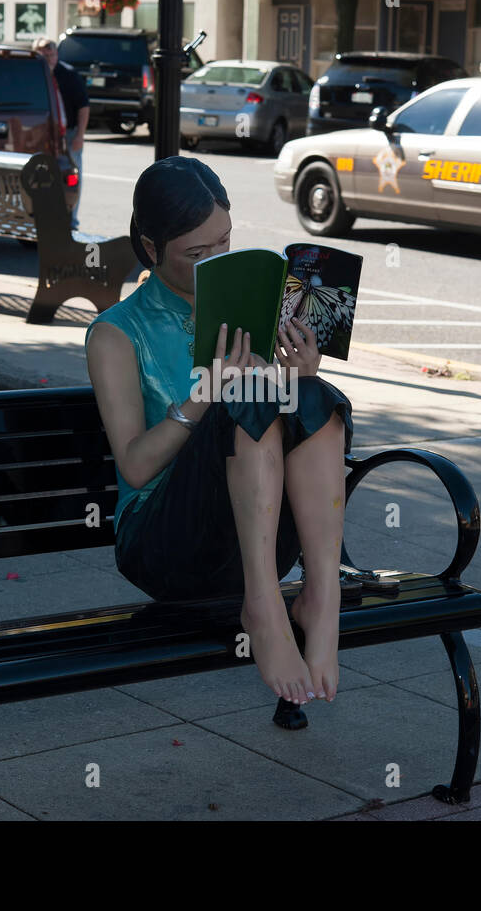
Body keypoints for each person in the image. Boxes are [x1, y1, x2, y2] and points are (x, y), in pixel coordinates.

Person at [85, 157, 353, 708]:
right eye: (196, 254)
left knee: (314, 398)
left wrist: (297, 378)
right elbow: (134, 468)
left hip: (252, 526)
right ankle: (263, 606)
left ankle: (322, 600)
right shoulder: (115, 333)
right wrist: (206, 393)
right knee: (240, 405)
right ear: (151, 248)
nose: (214, 261)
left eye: (223, 244)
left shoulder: (256, 309)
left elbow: (277, 434)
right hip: (165, 543)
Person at [34, 38, 89, 231]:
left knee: (72, 176)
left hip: (69, 133)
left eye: (52, 54)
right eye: (43, 54)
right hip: (42, 135)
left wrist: (80, 136)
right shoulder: (32, 74)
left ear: (57, 55)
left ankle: (71, 221)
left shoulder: (68, 74)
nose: (48, 58)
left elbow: (83, 107)